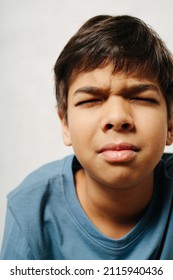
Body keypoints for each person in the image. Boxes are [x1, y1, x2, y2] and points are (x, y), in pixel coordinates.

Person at [1, 14, 173, 260]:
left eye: (141, 98)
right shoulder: (30, 209)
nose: (117, 117)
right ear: (66, 126)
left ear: (170, 124)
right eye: (91, 100)